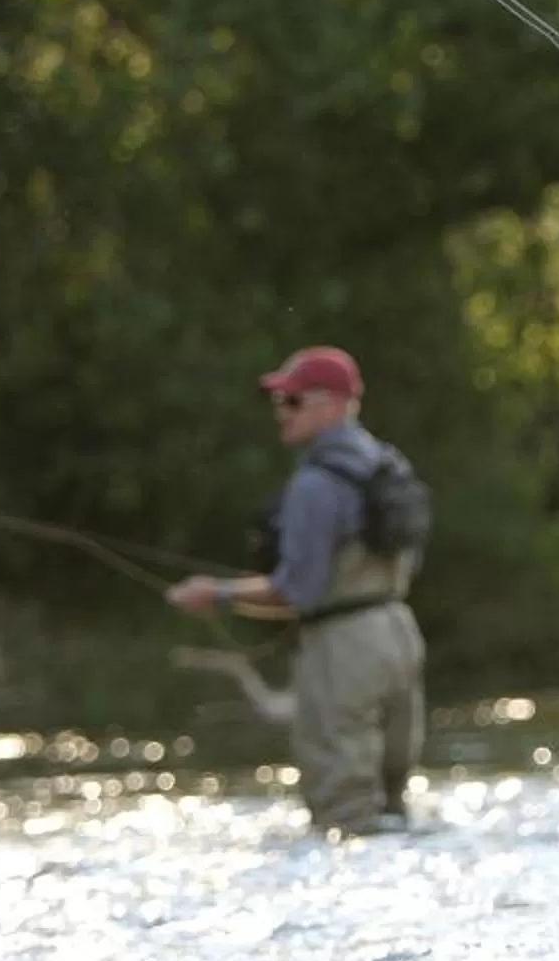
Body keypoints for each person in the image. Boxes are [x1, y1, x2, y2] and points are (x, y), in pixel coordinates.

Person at [168, 346, 427, 836]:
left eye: (291, 400)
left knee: (344, 815)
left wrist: (216, 594)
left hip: (343, 649)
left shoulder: (315, 484)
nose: (279, 412)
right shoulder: (389, 466)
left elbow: (296, 592)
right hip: (399, 634)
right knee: (393, 808)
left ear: (330, 404)